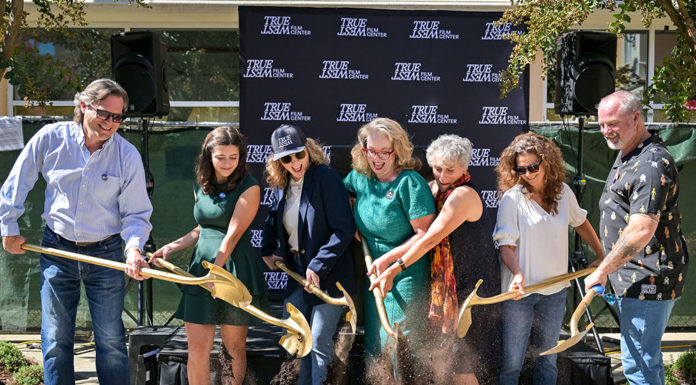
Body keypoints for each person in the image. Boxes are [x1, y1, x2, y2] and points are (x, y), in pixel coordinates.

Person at [0, 78, 152, 385]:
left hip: (106, 253)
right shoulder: (50, 138)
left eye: (118, 117)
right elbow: (16, 183)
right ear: (83, 106)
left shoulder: (128, 155)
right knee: (55, 339)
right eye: (104, 113)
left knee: (110, 339)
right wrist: (8, 227)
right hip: (57, 250)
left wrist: (134, 249)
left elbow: (135, 213)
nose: (111, 122)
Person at [369, 134, 502, 385]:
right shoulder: (432, 189)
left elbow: (430, 238)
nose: (442, 176)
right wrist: (387, 255)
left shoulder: (463, 195)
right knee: (446, 364)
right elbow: (418, 236)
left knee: (464, 364)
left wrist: (394, 268)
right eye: (438, 168)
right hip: (444, 292)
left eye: (450, 170)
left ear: (465, 168)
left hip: (473, 289)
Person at [151, 126, 268, 385]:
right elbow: (203, 228)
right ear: (208, 156)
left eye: (233, 157)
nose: (227, 163)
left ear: (241, 157)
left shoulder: (250, 186)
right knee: (197, 349)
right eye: (220, 157)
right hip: (201, 270)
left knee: (233, 349)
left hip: (233, 269)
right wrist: (173, 246)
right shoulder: (200, 183)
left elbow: (232, 235)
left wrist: (216, 271)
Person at [584, 91, 687, 385]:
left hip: (647, 280)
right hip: (631, 276)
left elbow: (641, 230)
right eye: (602, 124)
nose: (606, 131)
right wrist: (607, 259)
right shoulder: (629, 154)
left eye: (613, 123)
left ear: (636, 118)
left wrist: (604, 270)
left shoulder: (650, 163)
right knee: (646, 363)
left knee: (638, 368)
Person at [493, 132, 604, 385]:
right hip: (520, 294)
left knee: (548, 358)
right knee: (512, 362)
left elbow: (582, 223)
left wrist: (601, 255)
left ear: (547, 162)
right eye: (521, 170)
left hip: (555, 292)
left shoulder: (564, 193)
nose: (529, 173)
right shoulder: (512, 199)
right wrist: (518, 274)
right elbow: (506, 246)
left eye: (534, 166)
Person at [260, 124, 356, 385]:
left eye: (298, 154)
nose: (295, 163)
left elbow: (344, 229)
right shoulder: (281, 183)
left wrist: (318, 265)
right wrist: (267, 250)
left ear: (309, 150)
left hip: (330, 277)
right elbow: (273, 218)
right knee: (296, 340)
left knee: (318, 343)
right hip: (299, 276)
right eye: (286, 158)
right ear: (278, 160)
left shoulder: (325, 177)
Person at [343, 117, 436, 356]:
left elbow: (424, 235)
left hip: (405, 275)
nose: (377, 158)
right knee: (376, 345)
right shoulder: (361, 177)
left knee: (401, 346)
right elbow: (340, 192)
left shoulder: (410, 183)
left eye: (384, 151)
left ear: (397, 151)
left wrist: (388, 262)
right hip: (374, 275)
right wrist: (348, 215)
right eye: (371, 150)